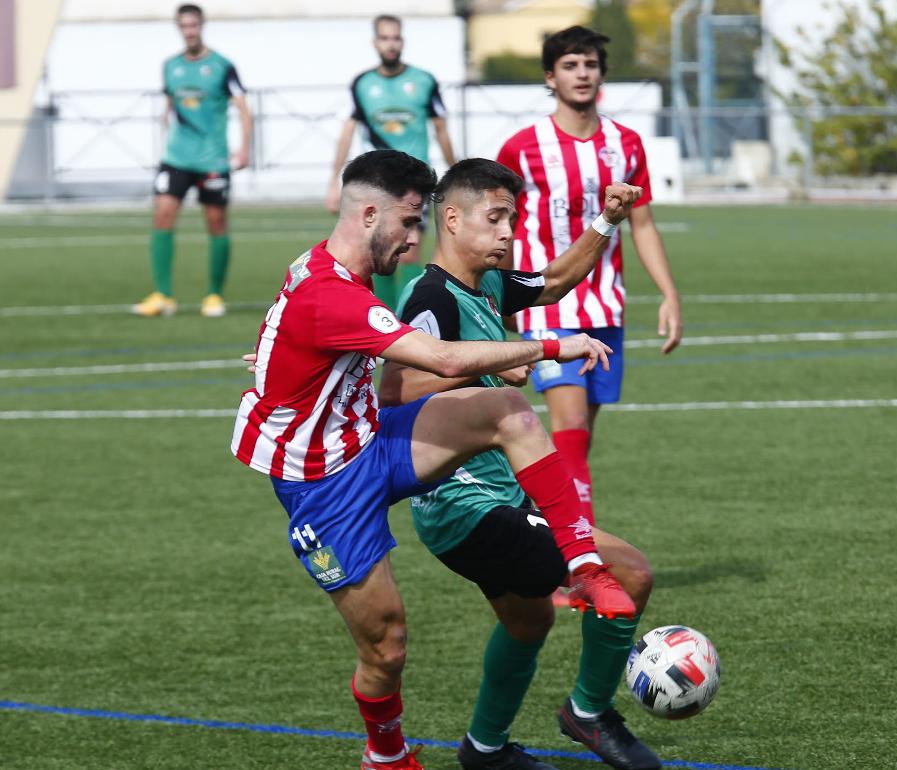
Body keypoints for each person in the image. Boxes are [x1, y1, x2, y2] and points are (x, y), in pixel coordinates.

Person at [231, 149, 635, 770]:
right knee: (386, 645)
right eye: (408, 222)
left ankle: (583, 565)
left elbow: (303, 326)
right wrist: (551, 346)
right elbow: (437, 361)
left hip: (371, 440)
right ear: (369, 214)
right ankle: (386, 755)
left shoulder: (335, 270)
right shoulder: (339, 293)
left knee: (508, 411)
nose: (414, 240)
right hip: (323, 486)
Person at [380, 158, 661, 770]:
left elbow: (554, 281)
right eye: (495, 218)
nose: (508, 231)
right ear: (453, 220)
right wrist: (497, 359)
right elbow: (396, 389)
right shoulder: (431, 297)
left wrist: (607, 221)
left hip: (499, 497)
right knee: (630, 575)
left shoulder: (488, 285)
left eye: (512, 218)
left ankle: (484, 750)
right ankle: (589, 712)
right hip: (465, 504)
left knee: (529, 621)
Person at [496, 26, 683, 535]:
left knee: (576, 441)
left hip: (604, 307)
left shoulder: (626, 144)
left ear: (602, 74)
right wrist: (500, 293)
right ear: (549, 77)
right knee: (571, 428)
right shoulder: (522, 148)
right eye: (570, 65)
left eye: (590, 65)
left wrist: (669, 294)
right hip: (546, 305)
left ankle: (542, 527)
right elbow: (502, 226)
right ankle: (582, 557)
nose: (581, 74)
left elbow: (643, 224)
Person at [325, 14, 458, 312]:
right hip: (377, 183)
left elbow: (441, 130)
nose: (391, 44)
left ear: (403, 41)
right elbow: (346, 132)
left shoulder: (424, 81)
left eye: (396, 38)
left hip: (415, 182)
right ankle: (383, 321)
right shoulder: (362, 84)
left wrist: (456, 174)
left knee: (409, 251)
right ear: (375, 43)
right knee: (378, 253)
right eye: (385, 38)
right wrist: (334, 182)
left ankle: (409, 321)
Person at [134, 3, 253, 319]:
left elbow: (243, 108)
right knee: (162, 215)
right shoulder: (170, 66)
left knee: (216, 223)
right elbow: (170, 103)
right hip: (176, 158)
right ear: (178, 28)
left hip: (212, 160)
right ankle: (163, 295)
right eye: (184, 26)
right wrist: (165, 128)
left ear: (202, 26)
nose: (189, 31)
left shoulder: (222, 66)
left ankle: (214, 294)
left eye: (194, 25)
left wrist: (244, 149)